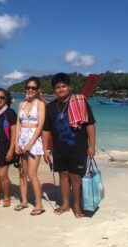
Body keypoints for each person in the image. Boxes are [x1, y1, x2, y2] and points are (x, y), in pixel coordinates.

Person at [42, 73, 96, 218]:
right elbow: (46, 129)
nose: (61, 89)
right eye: (57, 87)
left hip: (78, 148)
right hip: (59, 149)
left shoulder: (80, 102)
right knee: (63, 176)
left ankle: (77, 206)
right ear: (54, 90)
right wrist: (45, 150)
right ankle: (65, 204)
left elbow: (90, 124)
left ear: (69, 87)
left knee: (76, 177)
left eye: (63, 86)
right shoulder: (51, 107)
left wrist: (92, 145)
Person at [14, 76, 46, 215]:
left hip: (34, 141)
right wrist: (16, 142)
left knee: (32, 174)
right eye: (28, 87)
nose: (30, 90)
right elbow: (18, 125)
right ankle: (24, 201)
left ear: (38, 90)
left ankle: (39, 204)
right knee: (22, 173)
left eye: (33, 87)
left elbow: (40, 125)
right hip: (22, 140)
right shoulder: (21, 105)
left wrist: (31, 142)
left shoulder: (40, 104)